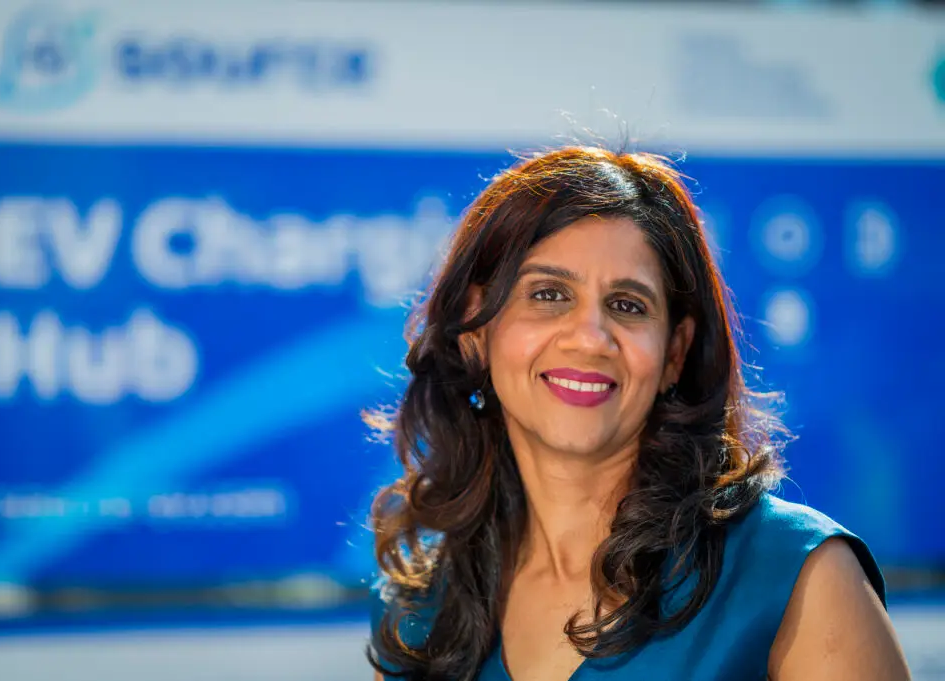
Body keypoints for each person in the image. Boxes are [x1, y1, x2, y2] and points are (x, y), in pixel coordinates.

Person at [365, 147, 910, 681]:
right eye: (549, 294)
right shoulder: (420, 605)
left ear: (674, 353)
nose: (590, 338)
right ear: (476, 332)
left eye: (628, 305)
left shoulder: (794, 572)